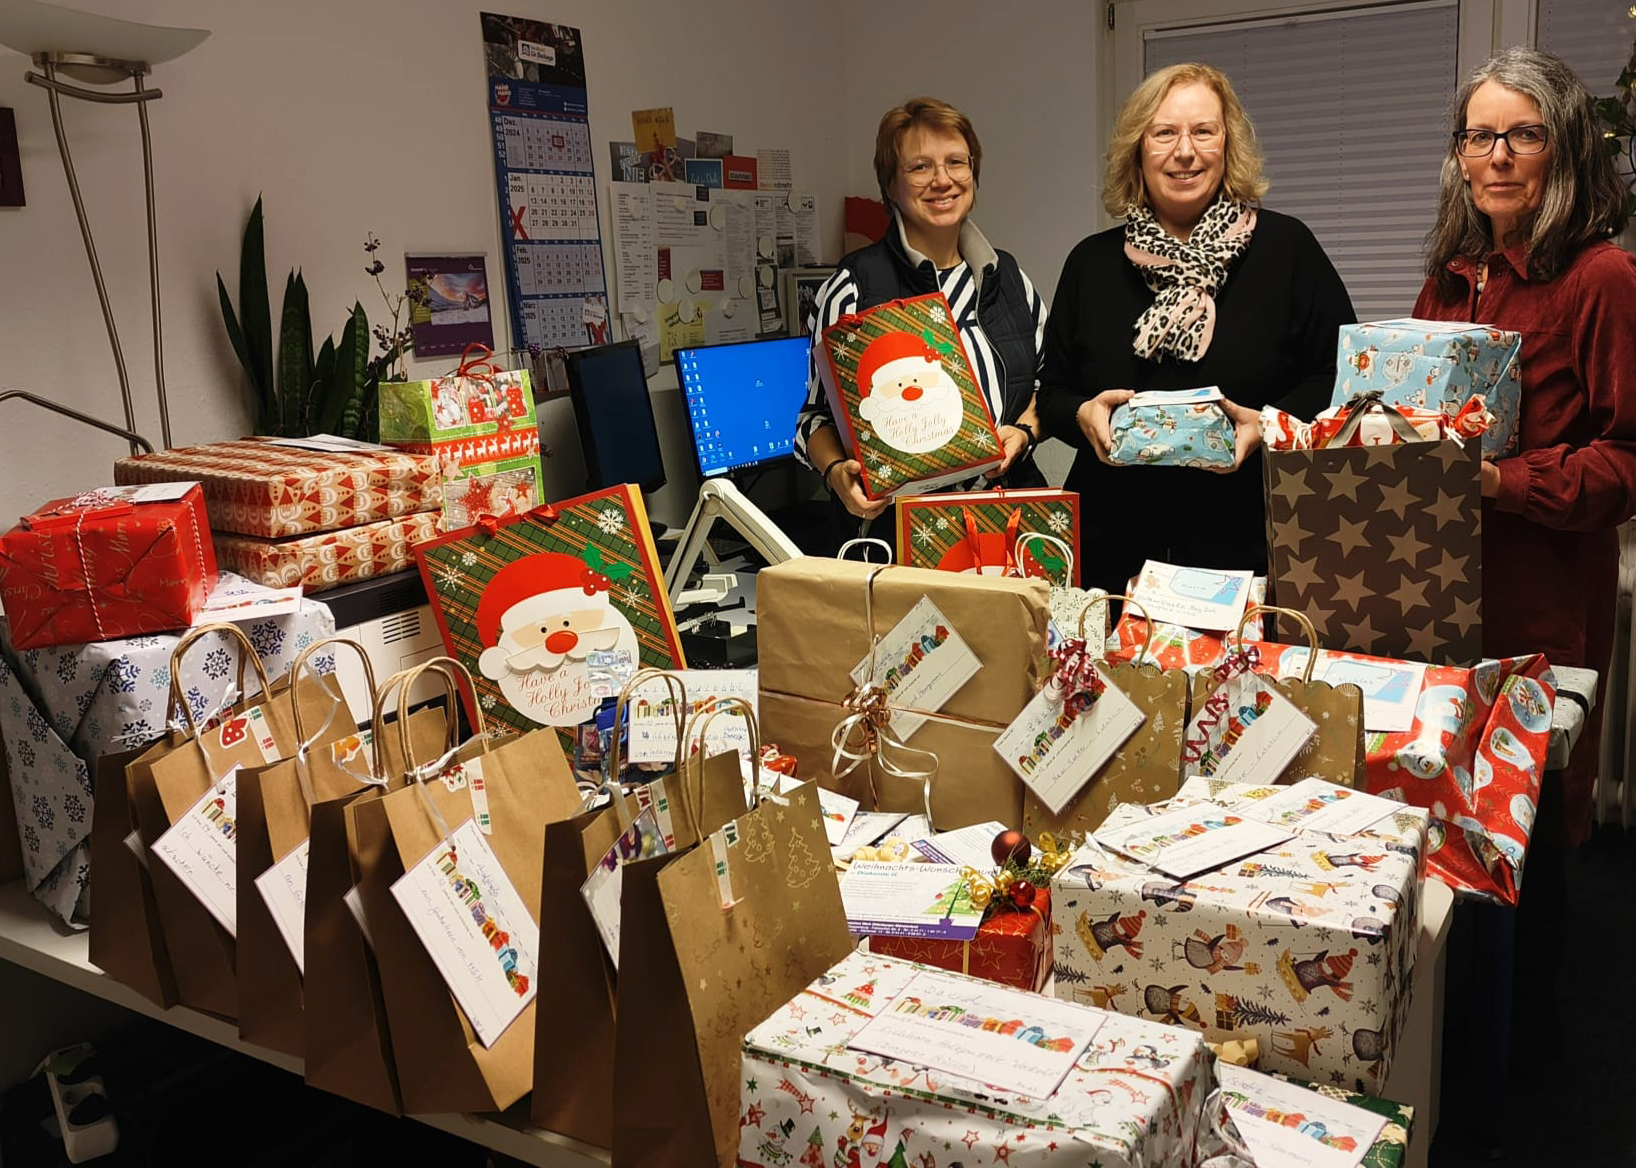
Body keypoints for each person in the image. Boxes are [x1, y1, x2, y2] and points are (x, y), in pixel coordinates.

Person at [1412, 48, 1636, 1069]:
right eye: (1479, 135)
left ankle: (1527, 1058)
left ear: (1564, 148)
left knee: (1525, 836)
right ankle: (1448, 1028)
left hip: (1540, 596)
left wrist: (1505, 482)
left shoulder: (1600, 277)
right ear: (1458, 156)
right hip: (1435, 592)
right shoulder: (1448, 277)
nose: (1496, 156)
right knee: (1443, 820)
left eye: (1522, 133)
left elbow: (1626, 462)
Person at [1035, 63, 1354, 595]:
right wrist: (1083, 415)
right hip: (1109, 551)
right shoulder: (1090, 264)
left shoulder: (1288, 250)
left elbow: (1341, 374)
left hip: (1252, 543)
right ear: (1138, 148)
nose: (1185, 151)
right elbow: (1054, 393)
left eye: (1203, 131)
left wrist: (1270, 424)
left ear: (1227, 144)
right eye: (1164, 133)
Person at [793, 98, 1048, 545]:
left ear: (974, 172)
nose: (942, 180)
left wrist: (1024, 433)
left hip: (1008, 521)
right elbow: (814, 418)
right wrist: (838, 476)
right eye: (919, 167)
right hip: (900, 533)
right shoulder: (854, 287)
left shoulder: (1009, 278)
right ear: (890, 185)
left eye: (956, 162)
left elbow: (1047, 388)